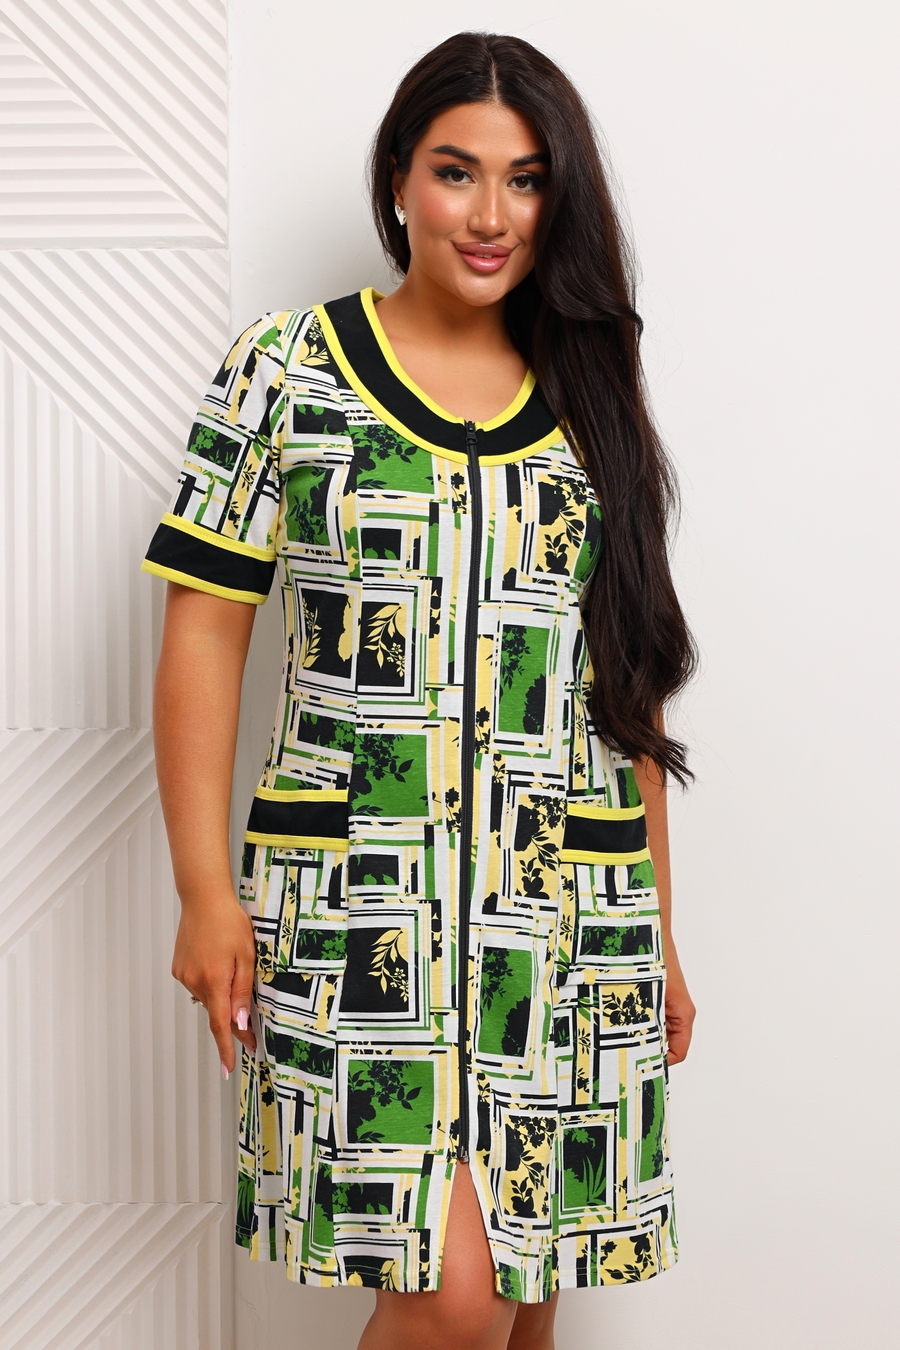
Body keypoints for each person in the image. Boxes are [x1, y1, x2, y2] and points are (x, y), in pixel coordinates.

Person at [142, 30, 697, 1350]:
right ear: (399, 178)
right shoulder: (286, 368)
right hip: (359, 911)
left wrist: (663, 932)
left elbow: (625, 685)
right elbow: (205, 632)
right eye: (457, 172)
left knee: (522, 1300)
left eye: (526, 179)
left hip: (566, 915)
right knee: (453, 1293)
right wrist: (204, 889)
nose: (491, 214)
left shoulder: (590, 395)